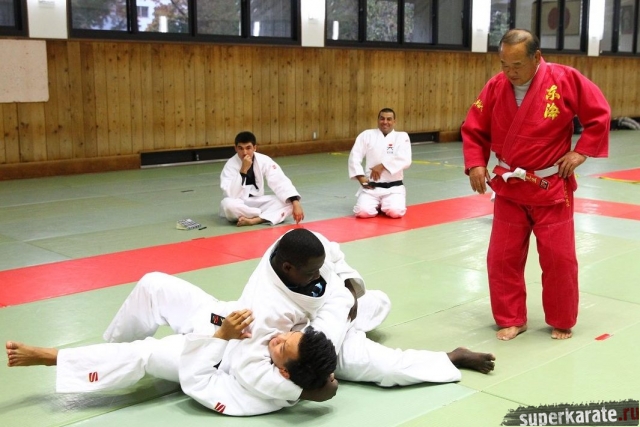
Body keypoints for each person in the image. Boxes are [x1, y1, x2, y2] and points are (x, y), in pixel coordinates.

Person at [6, 272, 339, 417]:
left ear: (284, 373)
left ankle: (55, 357)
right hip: (217, 319)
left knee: (144, 353)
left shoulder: (260, 395)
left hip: (201, 357)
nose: (278, 338)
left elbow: (199, 382)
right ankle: (108, 351)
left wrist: (221, 338)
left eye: (282, 347)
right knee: (154, 285)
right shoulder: (302, 349)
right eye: (288, 335)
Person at [225, 228, 496, 405]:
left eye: (318, 269)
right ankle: (452, 358)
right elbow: (247, 369)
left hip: (337, 309)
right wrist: (305, 392)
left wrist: (350, 287)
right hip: (315, 342)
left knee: (381, 302)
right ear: (287, 268)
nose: (317, 274)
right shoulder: (261, 308)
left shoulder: (305, 245)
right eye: (311, 272)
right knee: (384, 368)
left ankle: (354, 308)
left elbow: (335, 255)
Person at [461, 29, 610, 341]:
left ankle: (561, 319)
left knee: (559, 259)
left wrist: (581, 151)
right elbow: (474, 127)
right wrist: (476, 162)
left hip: (551, 185)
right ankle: (511, 318)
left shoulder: (565, 79)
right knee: (501, 258)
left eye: (517, 65)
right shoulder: (496, 86)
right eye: (504, 65)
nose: (510, 72)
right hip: (510, 187)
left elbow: (599, 114)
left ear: (537, 57)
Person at [219, 131, 304, 227]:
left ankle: (254, 220)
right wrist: (243, 170)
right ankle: (263, 215)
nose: (244, 152)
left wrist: (295, 202)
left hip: (258, 201)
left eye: (248, 148)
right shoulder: (230, 165)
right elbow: (231, 194)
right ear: (235, 148)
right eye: (240, 148)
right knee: (228, 205)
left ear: (254, 148)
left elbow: (279, 180)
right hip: (239, 203)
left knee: (289, 203)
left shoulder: (263, 160)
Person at [348, 108, 412, 218]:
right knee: (362, 212)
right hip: (372, 188)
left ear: (394, 121)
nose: (385, 122)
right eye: (382, 119)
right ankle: (378, 204)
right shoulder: (367, 135)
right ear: (378, 120)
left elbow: (405, 159)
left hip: (394, 188)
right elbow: (354, 156)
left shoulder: (401, 136)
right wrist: (360, 177)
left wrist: (382, 166)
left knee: (395, 212)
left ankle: (385, 204)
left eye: (389, 119)